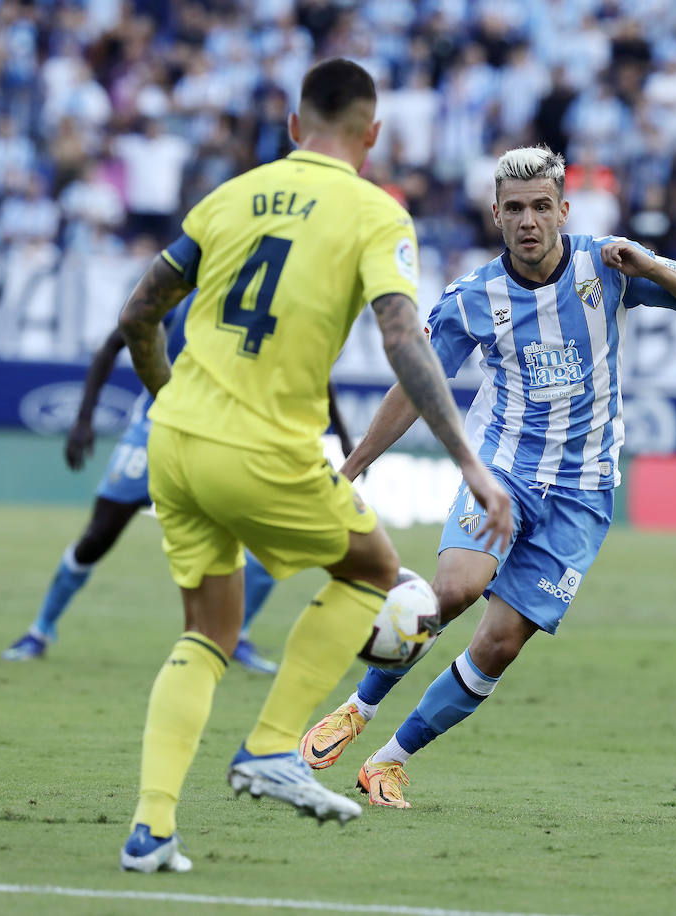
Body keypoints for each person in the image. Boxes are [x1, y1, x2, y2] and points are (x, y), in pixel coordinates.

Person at [114, 58, 511, 873]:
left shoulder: (230, 196)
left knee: (207, 632)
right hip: (263, 447)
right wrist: (467, 459)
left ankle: (151, 828)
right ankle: (269, 748)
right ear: (372, 135)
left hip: (176, 443)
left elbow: (138, 313)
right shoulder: (374, 212)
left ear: (295, 127)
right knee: (375, 572)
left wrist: (168, 399)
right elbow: (405, 338)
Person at [298, 145, 676, 808]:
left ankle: (390, 762)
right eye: (515, 209)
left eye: (541, 207)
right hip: (504, 472)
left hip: (584, 492)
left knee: (499, 645)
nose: (529, 220)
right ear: (496, 214)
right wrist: (355, 465)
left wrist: (652, 266)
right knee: (452, 590)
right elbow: (419, 382)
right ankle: (357, 708)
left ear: (563, 209)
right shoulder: (475, 298)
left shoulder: (606, 264)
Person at [1, 294, 361, 675]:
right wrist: (84, 419)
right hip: (156, 429)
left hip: (228, 438)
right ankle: (40, 630)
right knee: (98, 536)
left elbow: (315, 367)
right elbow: (113, 342)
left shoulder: (272, 299)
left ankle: (236, 636)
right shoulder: (182, 289)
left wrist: (341, 435)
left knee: (271, 536)